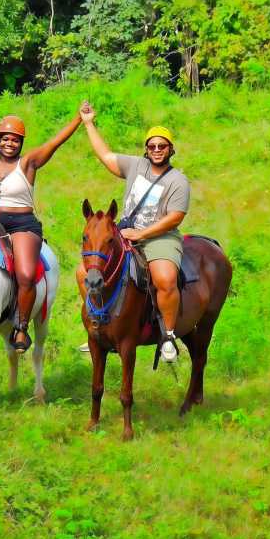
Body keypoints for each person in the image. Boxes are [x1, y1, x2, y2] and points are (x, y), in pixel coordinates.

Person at [78, 101, 190, 362]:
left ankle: (169, 336)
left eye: (162, 146)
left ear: (171, 149)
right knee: (83, 271)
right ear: (146, 149)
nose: (157, 150)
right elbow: (106, 156)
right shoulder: (135, 166)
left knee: (164, 279)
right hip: (124, 232)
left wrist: (142, 235)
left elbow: (175, 217)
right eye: (152, 146)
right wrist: (88, 124)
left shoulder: (178, 180)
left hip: (159, 236)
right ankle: (97, 322)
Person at [0, 112, 82, 352]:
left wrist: (78, 119)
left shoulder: (27, 163)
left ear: (21, 144)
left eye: (15, 140)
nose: (10, 143)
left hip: (21, 224)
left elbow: (54, 143)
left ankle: (21, 327)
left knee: (26, 274)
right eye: (6, 139)